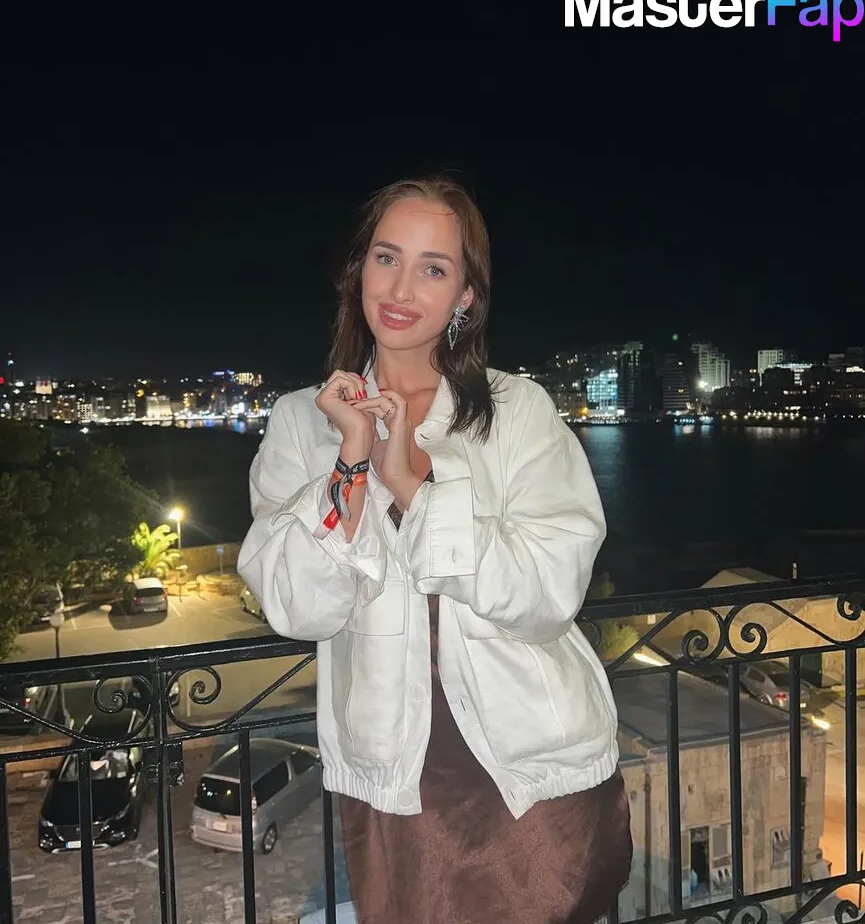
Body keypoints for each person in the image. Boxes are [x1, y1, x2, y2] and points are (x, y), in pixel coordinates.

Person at [238, 177, 632, 924]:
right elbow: (296, 607)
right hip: (396, 780)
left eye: (433, 268)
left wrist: (413, 486)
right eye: (386, 257)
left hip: (532, 770)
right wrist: (351, 462)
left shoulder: (516, 410)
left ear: (464, 296)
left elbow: (550, 593)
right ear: (357, 270)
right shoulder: (301, 423)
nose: (400, 288)